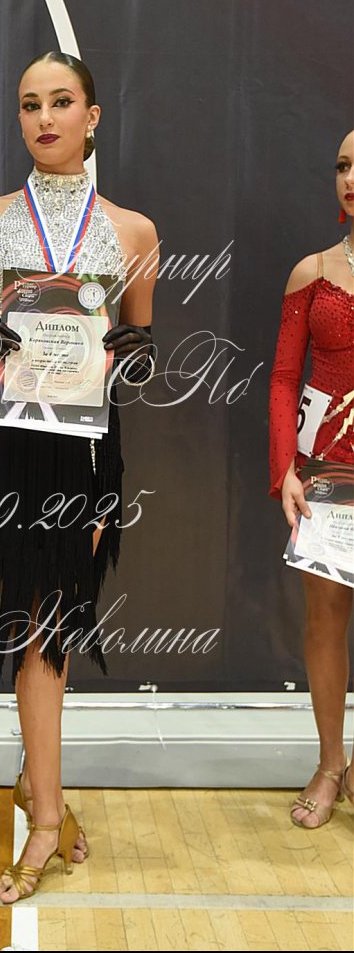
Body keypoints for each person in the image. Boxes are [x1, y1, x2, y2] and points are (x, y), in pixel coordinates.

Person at [0, 51, 158, 900]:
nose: (44, 118)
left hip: (82, 452)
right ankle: (47, 809)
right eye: (30, 104)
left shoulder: (133, 232)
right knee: (30, 622)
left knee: (49, 625)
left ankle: (43, 799)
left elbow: (138, 356)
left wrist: (134, 354)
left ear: (91, 117)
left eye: (61, 102)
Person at [268, 128, 354, 829]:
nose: (351, 178)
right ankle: (330, 763)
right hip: (327, 478)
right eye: (344, 165)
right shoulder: (312, 272)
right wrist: (286, 471)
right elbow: (282, 378)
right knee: (325, 618)